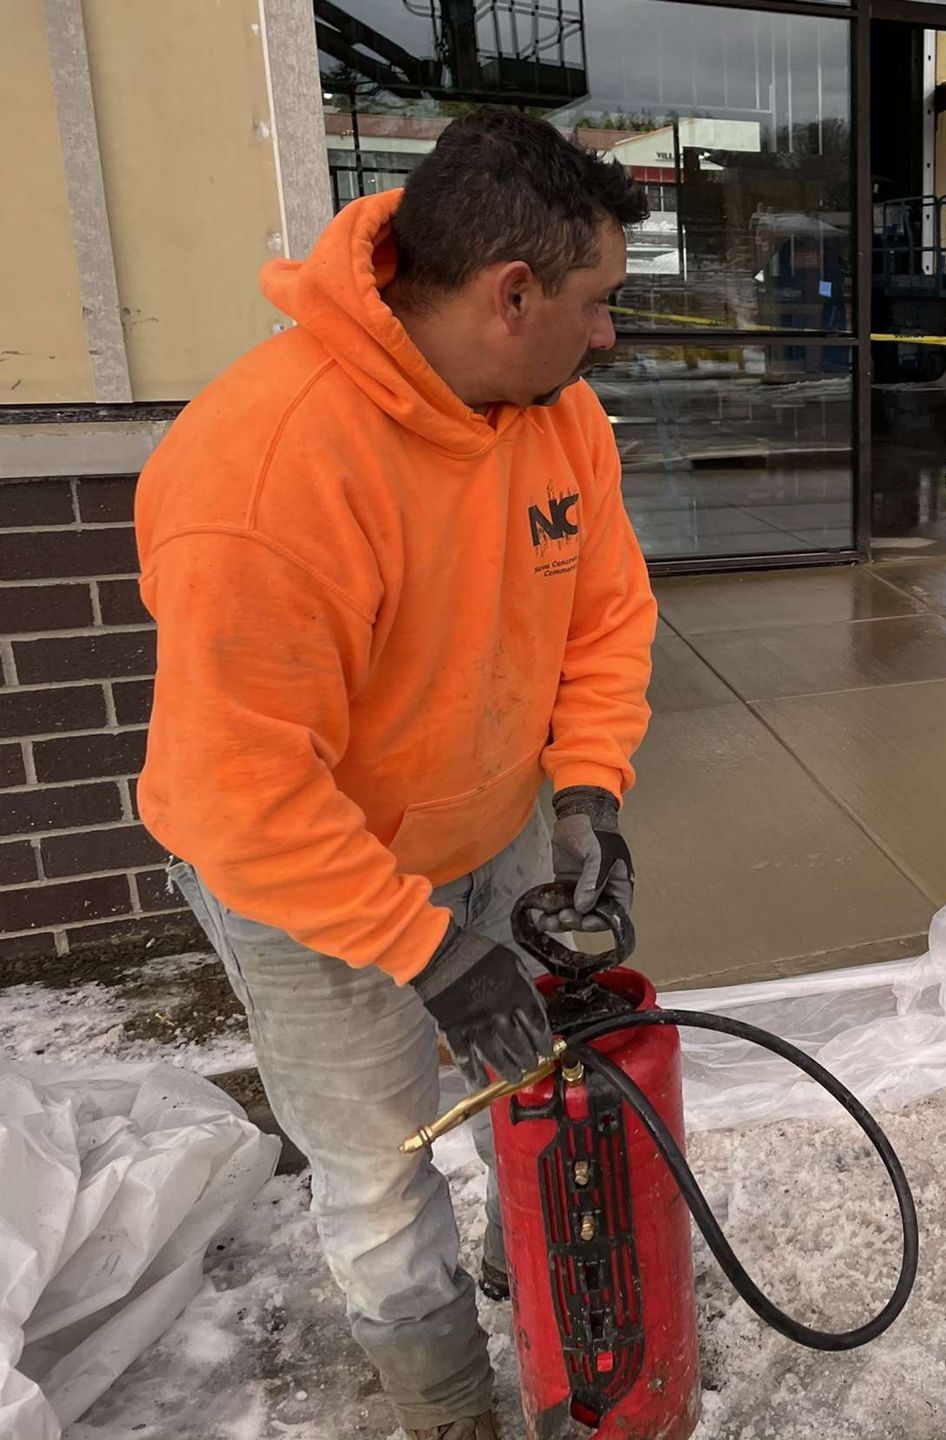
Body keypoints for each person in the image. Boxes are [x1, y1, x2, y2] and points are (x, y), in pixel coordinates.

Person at [135, 109, 657, 1440]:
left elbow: (603, 613)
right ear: (512, 293)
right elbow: (246, 792)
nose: (608, 335)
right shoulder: (268, 473)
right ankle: (451, 1409)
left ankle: (531, 1278)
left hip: (478, 833)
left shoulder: (556, 418)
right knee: (381, 1169)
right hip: (303, 882)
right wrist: (419, 949)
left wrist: (586, 786)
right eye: (596, 302)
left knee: (518, 1083)